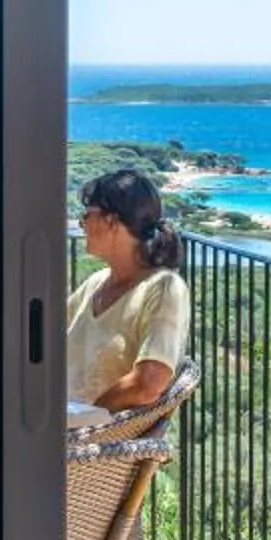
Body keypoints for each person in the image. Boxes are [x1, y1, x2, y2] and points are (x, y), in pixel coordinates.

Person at [69, 168, 190, 410]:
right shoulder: (97, 282)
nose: (82, 224)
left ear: (111, 221)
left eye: (87, 215)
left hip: (97, 442)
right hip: (55, 430)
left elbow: (148, 383)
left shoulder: (163, 288)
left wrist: (86, 420)